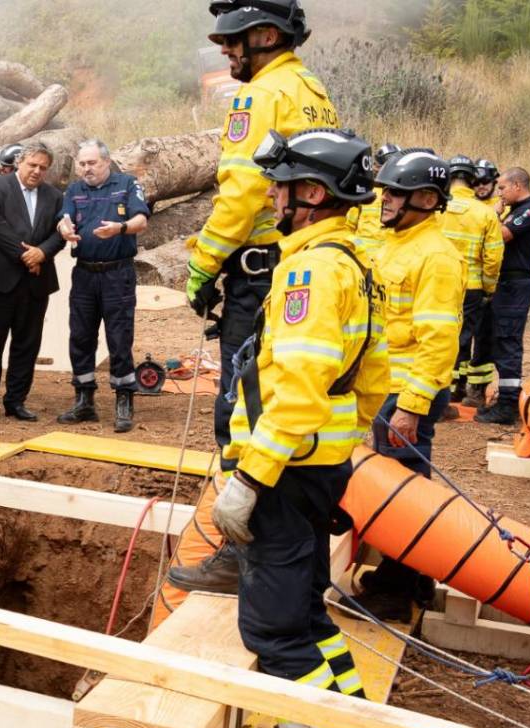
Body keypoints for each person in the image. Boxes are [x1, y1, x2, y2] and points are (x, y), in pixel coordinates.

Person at [206, 128, 386, 728]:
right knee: (307, 611)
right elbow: (374, 378)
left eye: (280, 187)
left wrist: (250, 479)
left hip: (282, 475)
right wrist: (337, 447)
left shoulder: (311, 269)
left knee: (274, 631)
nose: (270, 197)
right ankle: (351, 719)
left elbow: (301, 386)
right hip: (317, 467)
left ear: (312, 193)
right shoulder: (354, 264)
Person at [187, 0, 336, 467]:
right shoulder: (312, 90)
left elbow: (244, 192)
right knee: (289, 385)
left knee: (243, 393)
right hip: (305, 258)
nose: (226, 51)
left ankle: (237, 490)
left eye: (233, 40)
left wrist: (203, 264)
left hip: (259, 275)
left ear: (267, 36)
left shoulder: (258, 96)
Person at [353, 148, 464, 622]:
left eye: (396, 194)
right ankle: (414, 575)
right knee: (404, 488)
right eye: (386, 192)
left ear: (427, 199)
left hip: (406, 393)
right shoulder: (395, 242)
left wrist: (412, 406)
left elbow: (439, 341)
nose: (386, 201)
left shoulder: (436, 257)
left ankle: (395, 591)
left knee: (403, 496)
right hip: (388, 388)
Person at [0, 143, 65, 422]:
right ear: (20, 162)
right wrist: (27, 255)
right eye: (32, 164)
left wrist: (42, 252)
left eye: (43, 167)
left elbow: (61, 231)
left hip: (36, 281)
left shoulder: (55, 196)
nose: (37, 171)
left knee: (27, 343)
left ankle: (16, 401)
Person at [55, 140, 149, 433]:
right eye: (82, 164)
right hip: (84, 274)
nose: (87, 168)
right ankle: (84, 400)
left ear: (106, 162)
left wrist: (120, 228)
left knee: (119, 337)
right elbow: (64, 218)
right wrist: (64, 229)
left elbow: (141, 220)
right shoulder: (74, 190)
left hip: (117, 274)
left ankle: (124, 400)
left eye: (92, 163)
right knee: (81, 336)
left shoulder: (127, 184)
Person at [476, 167, 530, 425]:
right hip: (505, 284)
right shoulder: (517, 210)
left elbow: (501, 235)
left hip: (515, 284)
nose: (500, 194)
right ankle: (502, 398)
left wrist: (493, 215)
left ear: (518, 185)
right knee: (496, 340)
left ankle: (507, 405)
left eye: (503, 188)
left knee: (508, 341)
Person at [441, 155, 503, 412]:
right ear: (473, 180)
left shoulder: (437, 207)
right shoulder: (485, 213)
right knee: (463, 338)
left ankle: (442, 393)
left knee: (439, 335)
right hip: (472, 288)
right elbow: (493, 258)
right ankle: (455, 392)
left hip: (439, 283)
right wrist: (489, 288)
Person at [348, 142, 398, 265]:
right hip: (363, 261)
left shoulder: (403, 195)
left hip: (390, 262)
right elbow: (349, 227)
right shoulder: (363, 192)